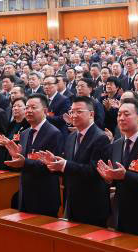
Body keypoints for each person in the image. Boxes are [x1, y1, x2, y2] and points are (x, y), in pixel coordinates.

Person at [98, 98, 138, 239]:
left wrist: (125, 175)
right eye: (119, 114)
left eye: (126, 114)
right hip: (120, 213)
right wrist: (109, 179)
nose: (121, 118)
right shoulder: (116, 144)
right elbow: (116, 178)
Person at [41, 96, 110, 226]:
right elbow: (68, 168)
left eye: (79, 111)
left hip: (92, 203)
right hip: (72, 200)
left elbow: (95, 171)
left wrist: (65, 165)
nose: (73, 115)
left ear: (91, 114)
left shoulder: (101, 138)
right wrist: (55, 165)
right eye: (72, 111)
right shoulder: (71, 136)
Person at [0, 94, 63, 216]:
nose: (29, 111)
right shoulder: (25, 132)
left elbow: (52, 166)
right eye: (27, 108)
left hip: (44, 195)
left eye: (33, 107)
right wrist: (16, 156)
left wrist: (24, 161)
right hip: (25, 193)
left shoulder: (54, 133)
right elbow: (23, 160)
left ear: (45, 111)